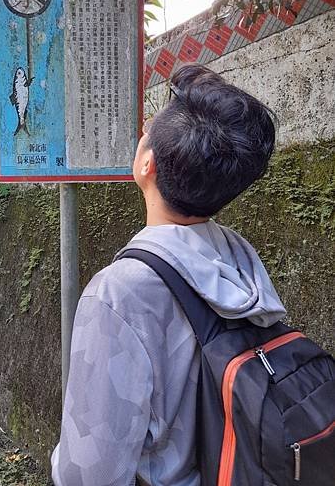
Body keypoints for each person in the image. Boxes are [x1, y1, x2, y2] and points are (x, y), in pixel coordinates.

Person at [51, 63, 286, 486]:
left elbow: (89, 475)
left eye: (148, 131)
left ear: (146, 164)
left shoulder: (118, 295)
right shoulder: (239, 258)